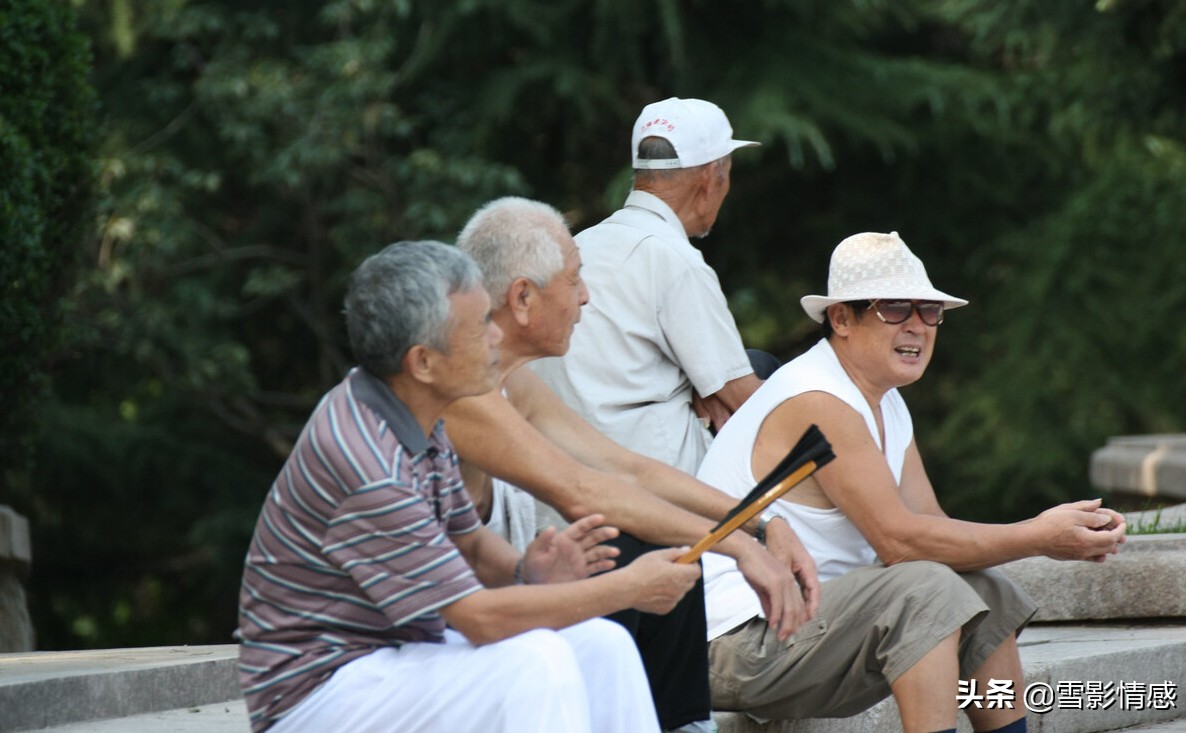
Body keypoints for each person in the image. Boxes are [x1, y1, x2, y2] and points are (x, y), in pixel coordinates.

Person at [236, 241, 701, 733]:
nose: (497, 335)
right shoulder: (367, 464)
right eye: (480, 325)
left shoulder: (417, 412)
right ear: (423, 362)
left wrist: (525, 569)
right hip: (316, 695)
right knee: (536, 661)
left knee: (602, 645)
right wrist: (630, 587)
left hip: (392, 655)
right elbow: (479, 618)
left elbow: (473, 549)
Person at [698, 231, 1128, 733]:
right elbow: (899, 541)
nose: (918, 326)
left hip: (803, 625)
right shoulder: (817, 398)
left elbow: (929, 526)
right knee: (925, 588)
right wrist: (1038, 536)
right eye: (896, 308)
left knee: (981, 585)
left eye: (929, 311)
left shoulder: (885, 399)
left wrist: (1056, 533)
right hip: (733, 644)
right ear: (840, 318)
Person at [448, 197, 818, 733]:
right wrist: (739, 543)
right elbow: (584, 490)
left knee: (654, 555)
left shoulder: (513, 382)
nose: (586, 296)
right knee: (635, 557)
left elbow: (627, 470)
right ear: (523, 298)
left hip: (499, 604)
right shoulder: (460, 389)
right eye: (575, 280)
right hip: (440, 634)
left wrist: (763, 521)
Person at [531, 97, 764, 475]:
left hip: (556, 477)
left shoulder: (581, 243)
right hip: (645, 485)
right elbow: (745, 399)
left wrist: (700, 387)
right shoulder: (674, 259)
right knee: (765, 383)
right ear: (711, 177)